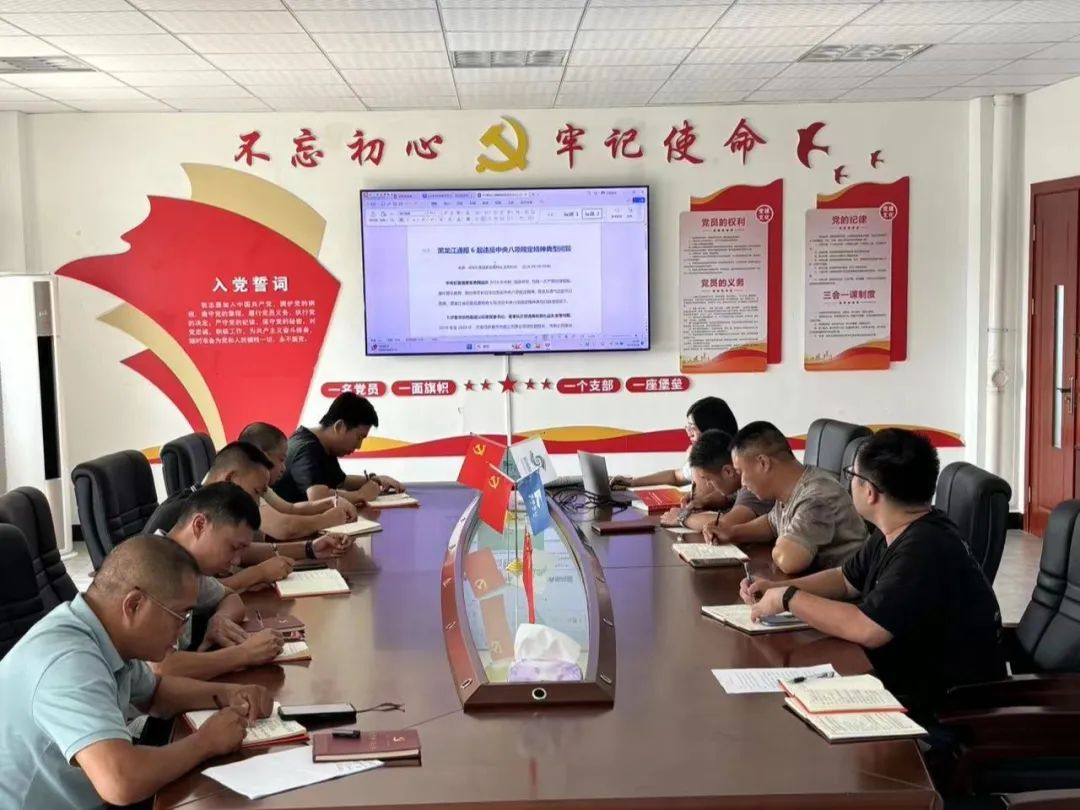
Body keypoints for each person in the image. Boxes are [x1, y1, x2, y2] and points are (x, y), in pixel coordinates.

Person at [743, 428, 1006, 720]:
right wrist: (776, 588)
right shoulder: (897, 529)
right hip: (903, 681)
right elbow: (845, 579)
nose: (849, 483)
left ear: (869, 491)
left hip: (945, 710)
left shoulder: (924, 548)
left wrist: (789, 598)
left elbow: (868, 629)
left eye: (852, 475)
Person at [0, 535, 273, 809]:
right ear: (134, 605)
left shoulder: (103, 634)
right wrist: (206, 742)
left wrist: (230, 693)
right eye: (181, 616)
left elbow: (156, 694)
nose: (182, 630)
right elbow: (121, 782)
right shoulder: (69, 662)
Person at [145, 441, 354, 569]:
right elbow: (198, 589)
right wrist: (255, 576)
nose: (257, 502)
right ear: (230, 479)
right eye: (256, 492)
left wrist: (309, 548)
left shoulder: (207, 503)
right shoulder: (182, 515)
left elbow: (241, 552)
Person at [154, 482, 287, 680]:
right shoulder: (154, 570)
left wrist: (220, 620)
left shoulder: (185, 566)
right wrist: (244, 654)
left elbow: (230, 597)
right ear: (200, 525)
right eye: (233, 548)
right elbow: (161, 669)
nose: (237, 561)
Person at [704, 421, 866, 574]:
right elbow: (771, 523)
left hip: (848, 591)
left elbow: (788, 560)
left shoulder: (816, 498)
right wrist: (732, 532)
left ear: (763, 463)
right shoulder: (793, 487)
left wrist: (782, 542)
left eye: (741, 472)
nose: (743, 483)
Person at [273, 392, 404, 506]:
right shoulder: (306, 448)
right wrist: (361, 495)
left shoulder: (323, 445)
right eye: (359, 437)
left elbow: (341, 482)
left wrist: (376, 480)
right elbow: (317, 496)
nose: (358, 446)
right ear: (339, 426)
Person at [611, 397, 738, 506]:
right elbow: (676, 476)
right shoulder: (700, 454)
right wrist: (632, 482)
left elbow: (727, 495)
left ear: (710, 428)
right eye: (688, 427)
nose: (688, 433)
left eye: (693, 428)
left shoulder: (735, 457)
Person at [239, 421, 359, 532]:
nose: (284, 468)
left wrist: (332, 501)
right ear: (262, 457)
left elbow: (291, 508)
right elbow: (285, 528)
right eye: (281, 459)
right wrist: (326, 520)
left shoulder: (263, 488)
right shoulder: (244, 488)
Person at [658, 429, 773, 531]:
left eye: (708, 479)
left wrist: (681, 518)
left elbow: (725, 523)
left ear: (727, 472)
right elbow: (727, 497)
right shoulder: (737, 480)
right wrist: (703, 501)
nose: (708, 484)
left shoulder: (752, 485)